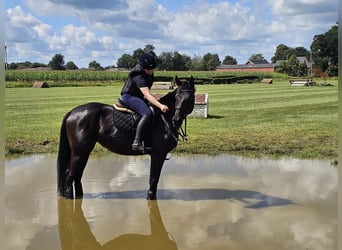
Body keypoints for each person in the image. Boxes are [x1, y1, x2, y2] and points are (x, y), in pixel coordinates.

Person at [120, 52, 169, 153]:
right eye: (148, 69)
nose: (151, 71)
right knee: (147, 114)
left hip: (138, 97)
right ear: (142, 67)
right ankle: (136, 143)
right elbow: (147, 94)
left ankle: (148, 140)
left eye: (152, 68)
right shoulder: (138, 74)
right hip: (129, 97)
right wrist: (160, 105)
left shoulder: (148, 71)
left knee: (154, 111)